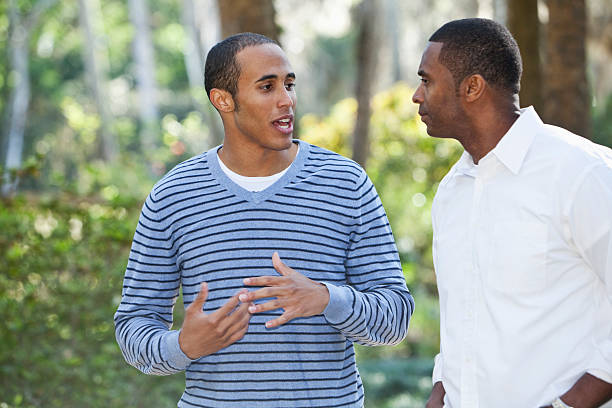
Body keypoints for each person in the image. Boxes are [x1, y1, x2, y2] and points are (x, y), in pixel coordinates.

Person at [114, 32, 414, 408]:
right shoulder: (172, 196)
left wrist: (325, 298)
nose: (286, 100)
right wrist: (183, 346)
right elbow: (133, 327)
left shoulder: (345, 184)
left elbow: (395, 317)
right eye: (267, 87)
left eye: (289, 84)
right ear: (223, 100)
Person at [412, 18, 612, 408]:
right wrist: (440, 392)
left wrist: (572, 404)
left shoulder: (583, 173)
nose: (417, 96)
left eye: (426, 80)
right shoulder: (452, 190)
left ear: (472, 87)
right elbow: (461, 319)